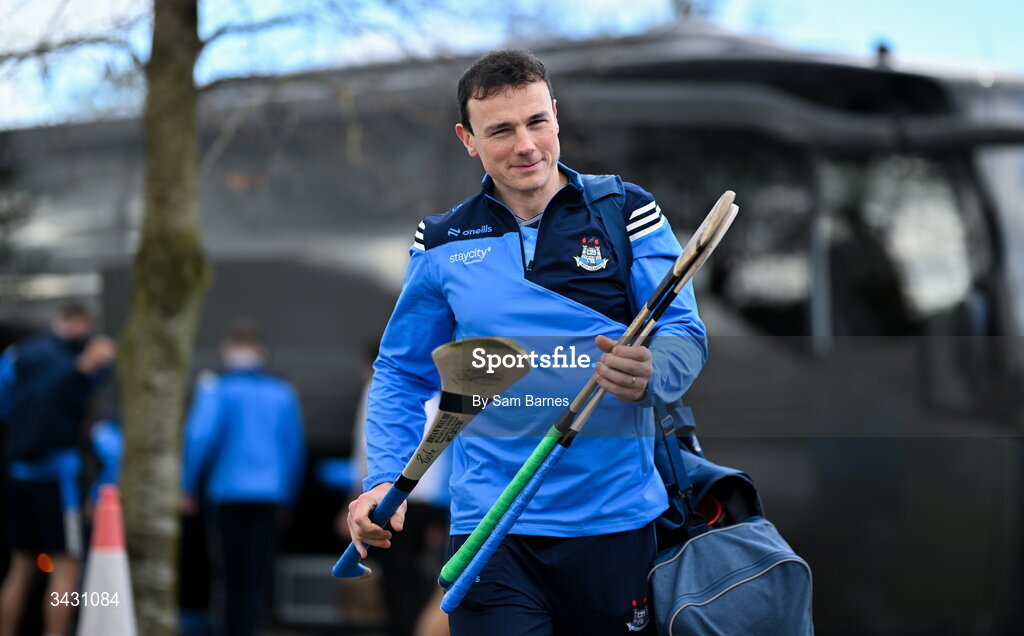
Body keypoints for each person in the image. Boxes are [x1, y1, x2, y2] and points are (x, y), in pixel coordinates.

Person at [347, 49, 707, 635]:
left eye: (537, 122)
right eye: (501, 130)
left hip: (614, 525)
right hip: (490, 532)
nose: (526, 145)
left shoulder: (626, 211)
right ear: (468, 139)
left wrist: (653, 369)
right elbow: (401, 372)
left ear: (556, 116)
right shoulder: (440, 241)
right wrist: (383, 479)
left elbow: (684, 332)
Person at [0, 301, 116, 636]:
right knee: (65, 567)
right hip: (59, 476)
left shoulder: (19, 354)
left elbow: (4, 403)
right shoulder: (82, 358)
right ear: (83, 322)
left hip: (20, 472)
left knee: (21, 567)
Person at [181, 324, 305, 636]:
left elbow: (199, 437)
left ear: (227, 351)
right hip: (269, 494)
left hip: (226, 492)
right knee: (257, 573)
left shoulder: (217, 388)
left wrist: (186, 484)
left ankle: (229, 629)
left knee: (228, 573)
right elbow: (293, 449)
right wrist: (288, 495)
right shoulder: (282, 392)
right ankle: (252, 628)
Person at [338, 345, 451, 636]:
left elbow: (364, 452)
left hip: (394, 500)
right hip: (432, 500)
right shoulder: (439, 393)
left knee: (397, 580)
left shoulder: (381, 391)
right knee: (428, 579)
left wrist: (352, 500)